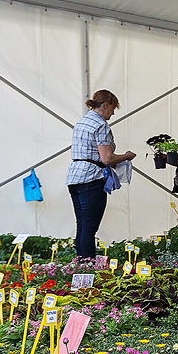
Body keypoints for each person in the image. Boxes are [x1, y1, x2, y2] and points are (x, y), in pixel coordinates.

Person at [66, 90, 135, 259]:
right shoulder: (101, 125)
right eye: (113, 108)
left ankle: (80, 264)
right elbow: (107, 158)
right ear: (105, 105)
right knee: (90, 228)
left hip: (74, 176)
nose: (112, 113)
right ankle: (88, 267)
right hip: (91, 178)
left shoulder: (81, 122)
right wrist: (126, 156)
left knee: (81, 226)